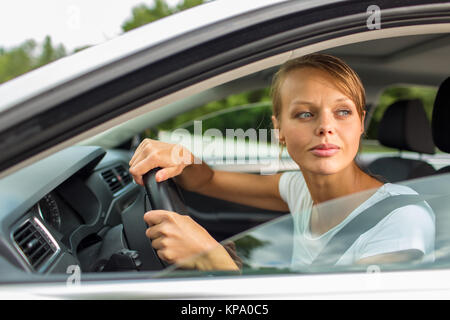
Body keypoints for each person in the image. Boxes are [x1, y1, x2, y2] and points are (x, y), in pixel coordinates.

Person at [129, 53, 435, 271]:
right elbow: (206, 181)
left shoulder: (401, 220)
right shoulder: (299, 188)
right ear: (279, 129)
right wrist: (180, 156)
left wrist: (214, 261)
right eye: (305, 113)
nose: (325, 127)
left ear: (360, 124)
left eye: (343, 112)